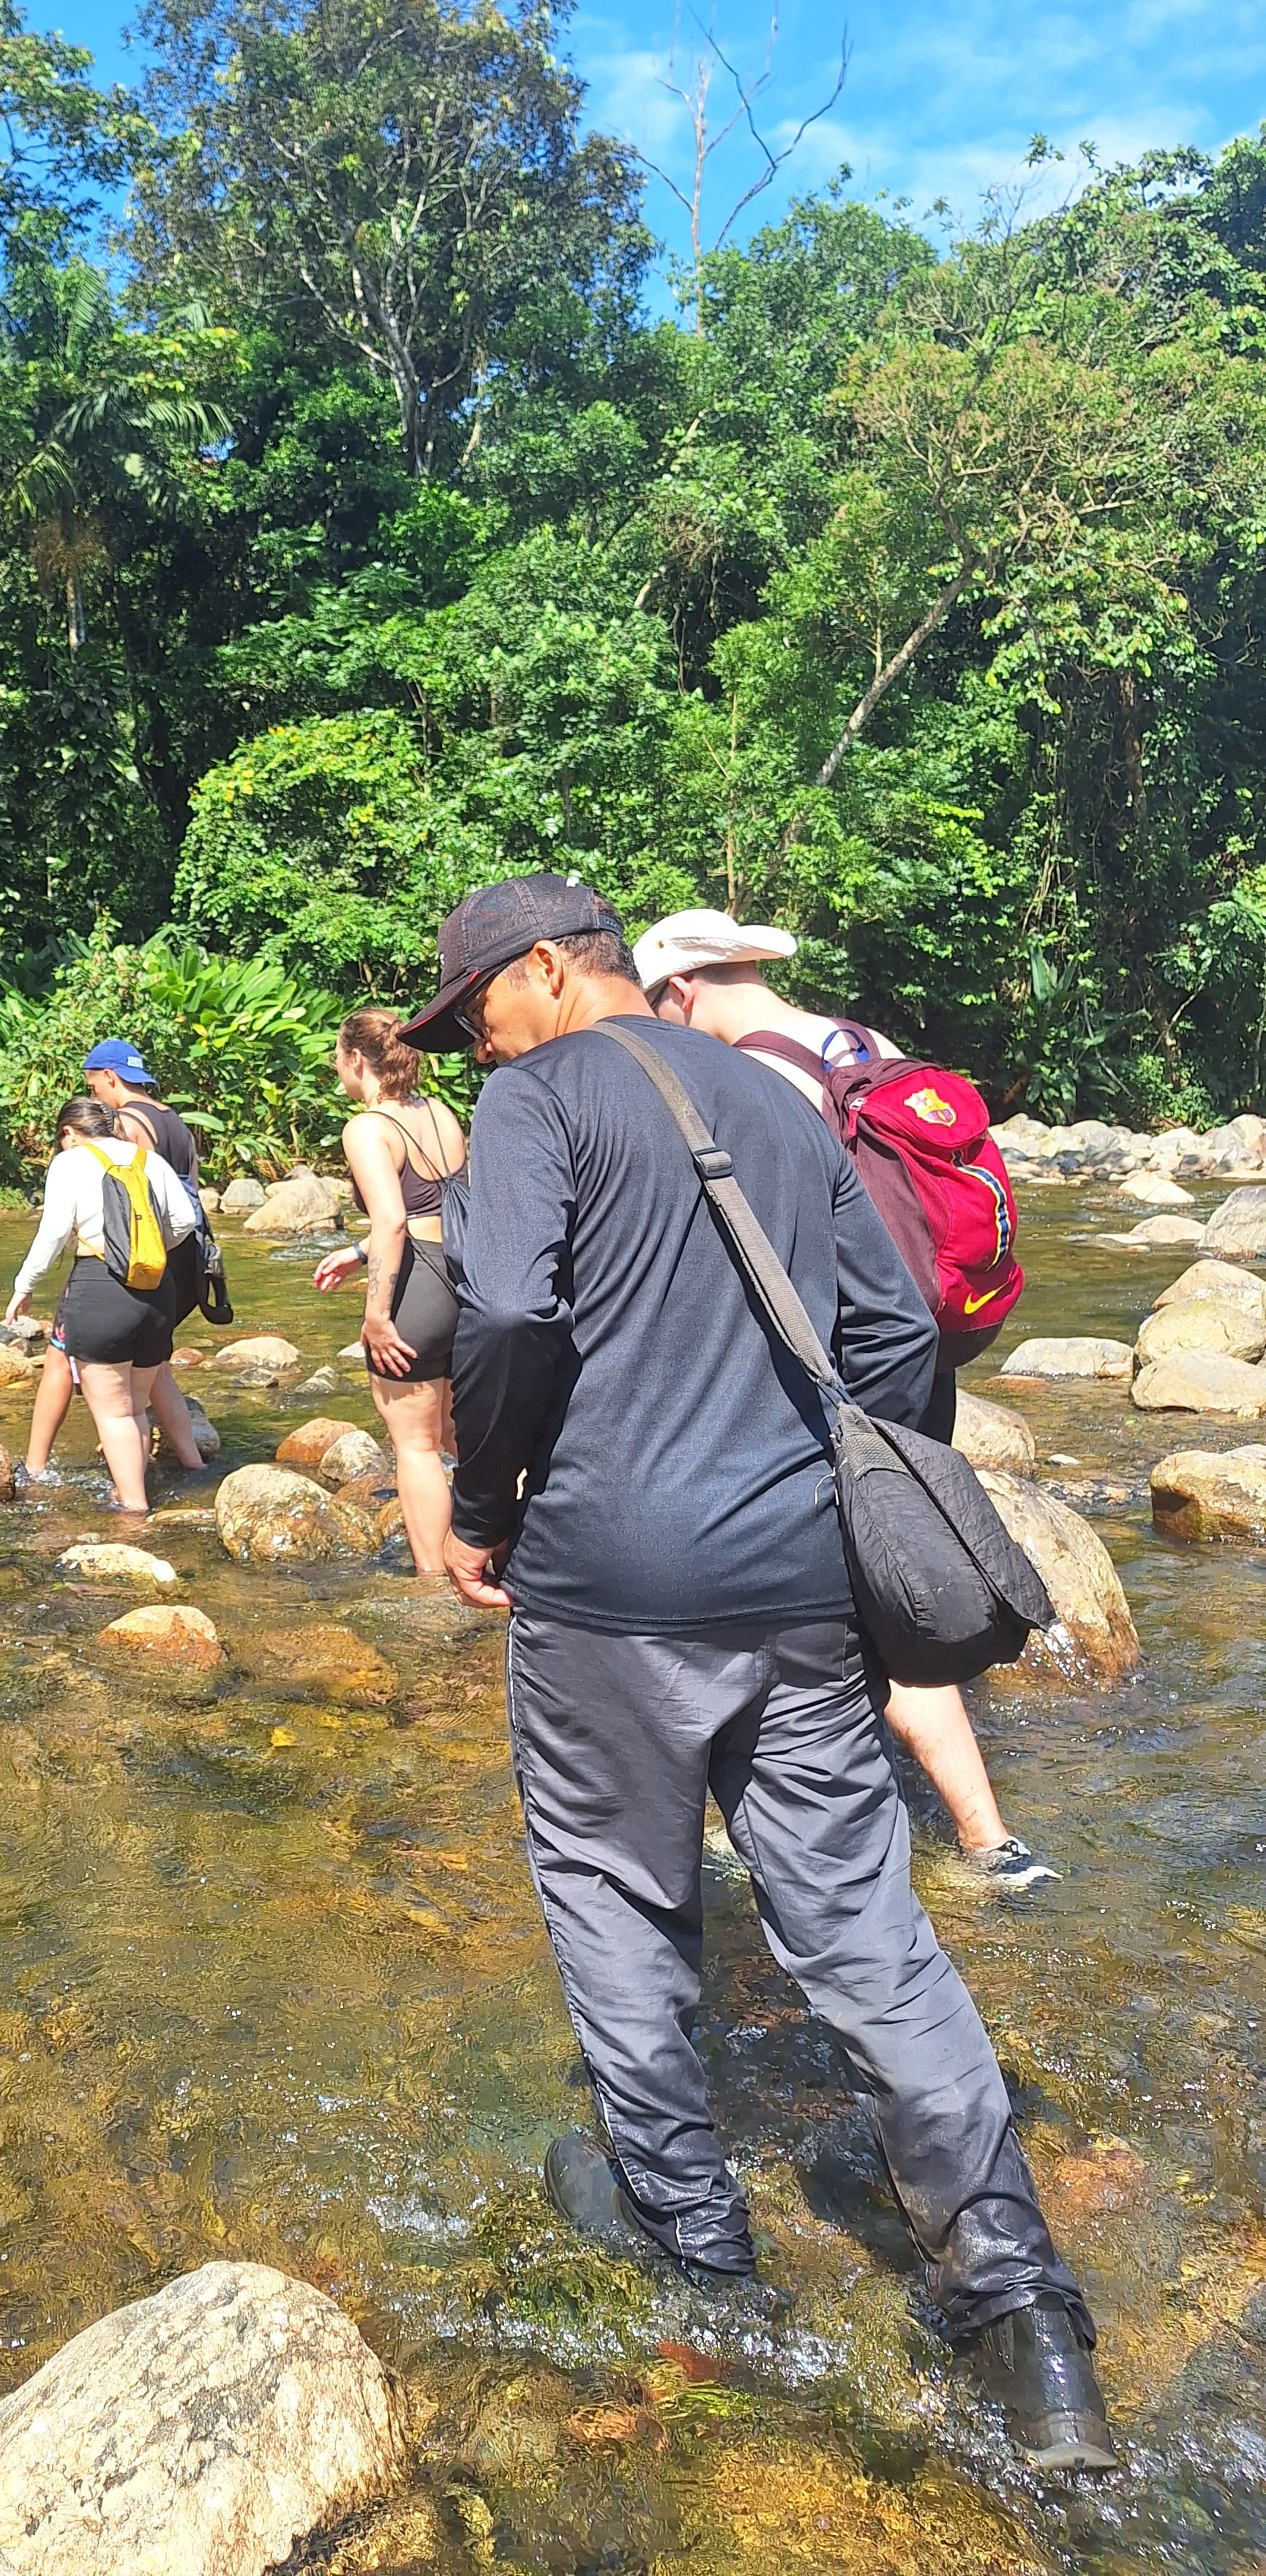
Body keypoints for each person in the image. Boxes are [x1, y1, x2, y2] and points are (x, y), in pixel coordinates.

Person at [402, 872, 1112, 2474]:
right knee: (869, 1933)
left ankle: (697, 2258)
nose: (473, 1043)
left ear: (540, 977)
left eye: (477, 1011)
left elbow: (505, 1309)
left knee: (618, 1903)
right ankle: (1024, 2321)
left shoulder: (532, 1105)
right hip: (797, 1590)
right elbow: (899, 1333)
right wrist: (806, 1490)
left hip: (603, 1592)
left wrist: (487, 1501)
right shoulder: (782, 1102)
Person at [632, 908, 1049, 1895]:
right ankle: (993, 1843)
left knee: (815, 1605)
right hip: (922, 1360)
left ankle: (788, 1834)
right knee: (895, 1587)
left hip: (834, 1379)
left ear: (680, 992)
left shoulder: (752, 1083)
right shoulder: (868, 1049)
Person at [311, 1009, 467, 1578]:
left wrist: (377, 1313)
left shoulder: (367, 1128)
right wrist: (357, 1255)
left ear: (357, 1059)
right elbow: (442, 1208)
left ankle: (434, 1581)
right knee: (458, 1433)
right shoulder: (441, 1113)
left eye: (338, 1057)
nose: (338, 1069)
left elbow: (394, 1222)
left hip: (417, 1292)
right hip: (462, 1280)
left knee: (417, 1447)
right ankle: (499, 1550)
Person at [4, 1096, 199, 1515]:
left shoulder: (70, 1162)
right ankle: (131, 1493)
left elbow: (54, 1230)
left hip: (100, 1288)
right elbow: (186, 1220)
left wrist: (25, 1284)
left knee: (112, 1414)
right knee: (135, 1406)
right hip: (158, 1290)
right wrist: (145, 1250)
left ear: (69, 1134)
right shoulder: (150, 1161)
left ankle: (134, 1510)